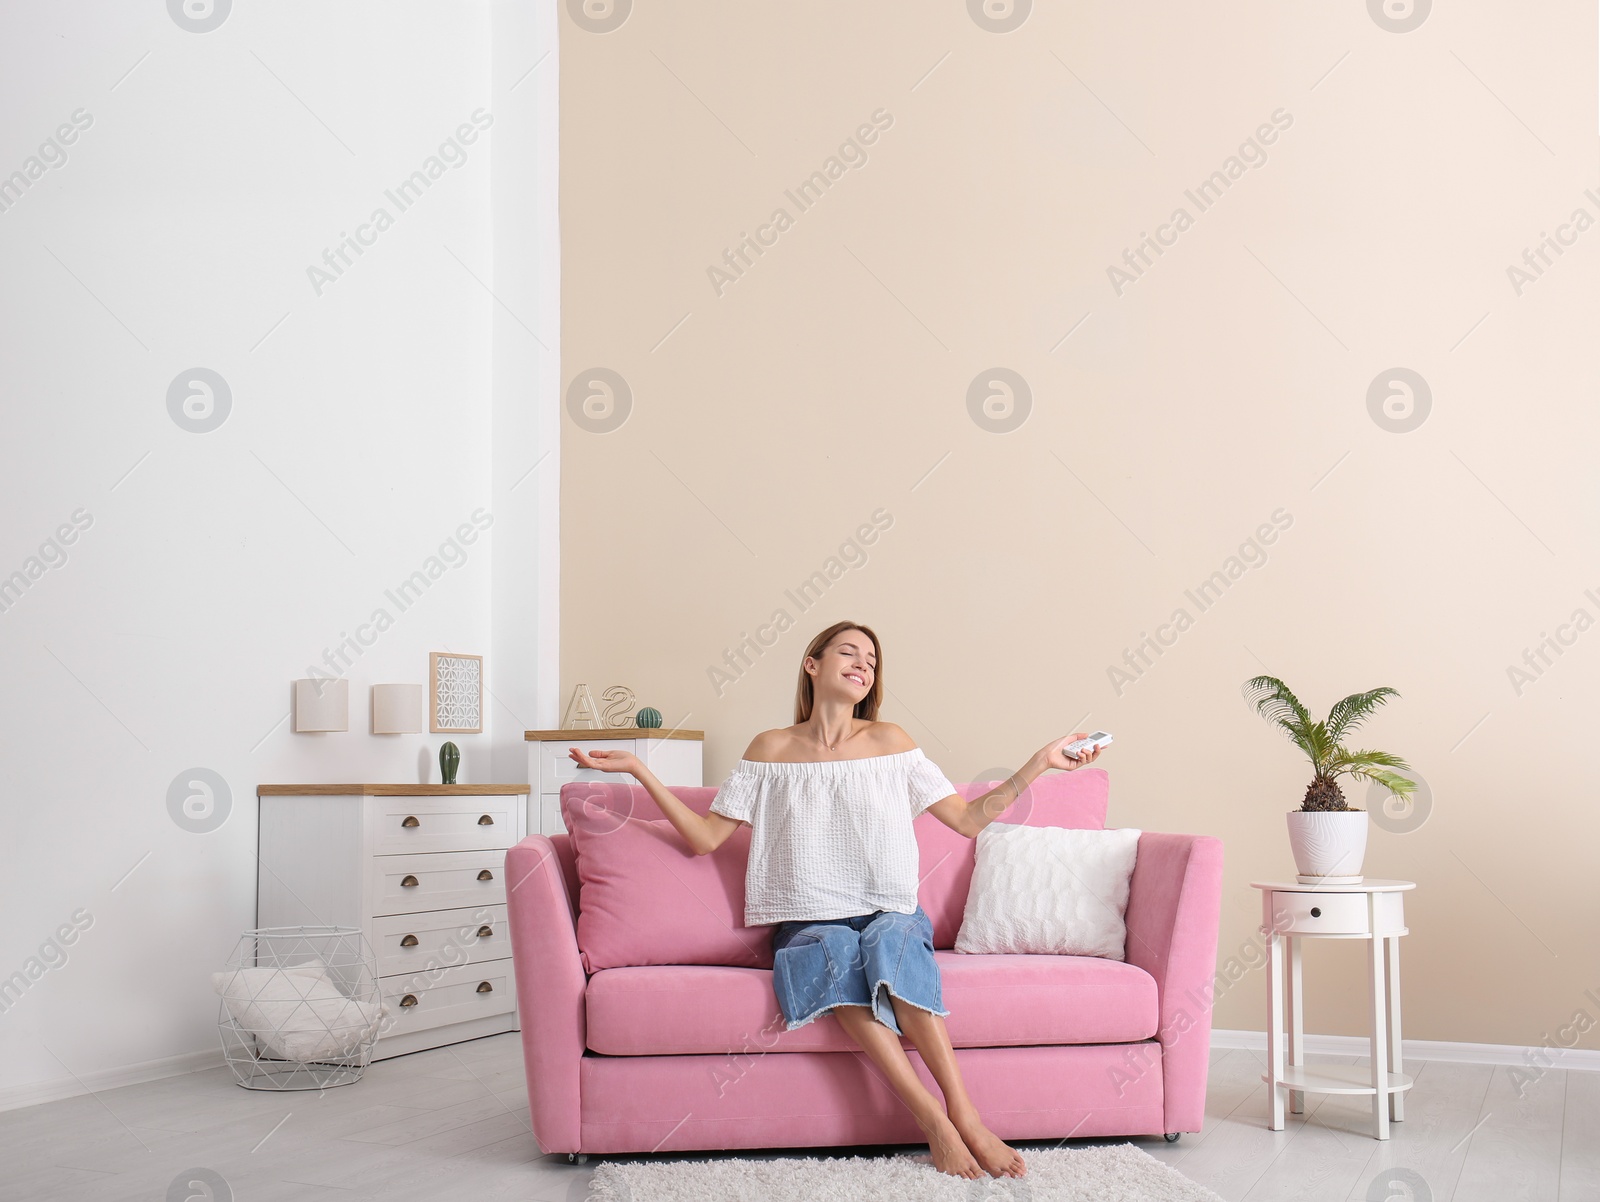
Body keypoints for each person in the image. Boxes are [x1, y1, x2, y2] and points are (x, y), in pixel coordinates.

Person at [567, 619, 1104, 1181]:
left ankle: (966, 1115)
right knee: (830, 954)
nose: (862, 664)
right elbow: (705, 839)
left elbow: (968, 821)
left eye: (871, 660)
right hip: (807, 921)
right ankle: (935, 1124)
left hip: (889, 907)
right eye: (848, 652)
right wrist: (637, 770)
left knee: (892, 943)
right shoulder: (770, 748)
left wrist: (1041, 763)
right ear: (813, 665)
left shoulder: (891, 741)